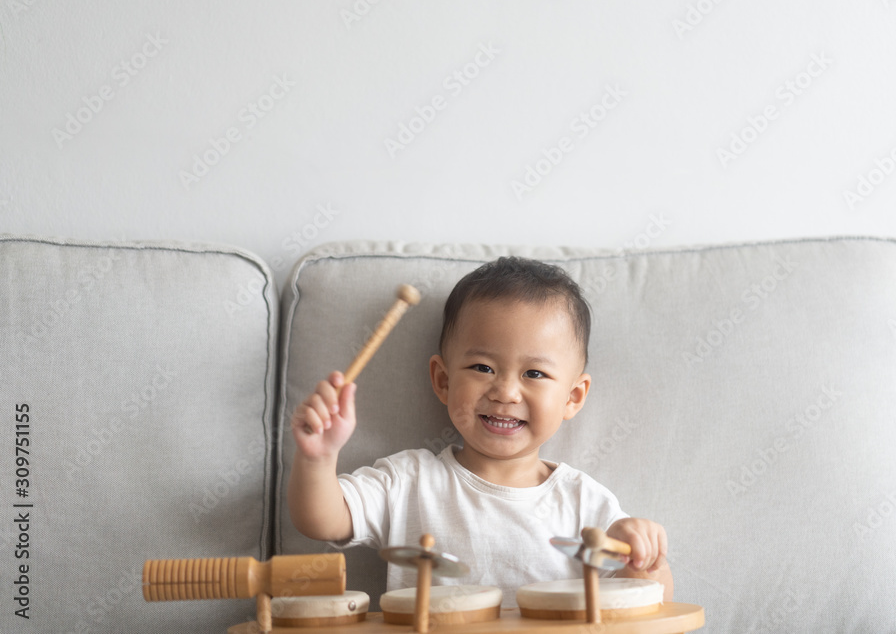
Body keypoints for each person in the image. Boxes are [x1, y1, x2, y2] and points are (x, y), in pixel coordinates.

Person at [287, 256, 673, 607]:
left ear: (573, 397)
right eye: (482, 368)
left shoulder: (585, 503)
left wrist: (645, 562)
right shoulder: (408, 481)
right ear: (442, 380)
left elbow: (649, 605)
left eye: (534, 374)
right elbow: (320, 521)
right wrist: (318, 458)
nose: (505, 392)